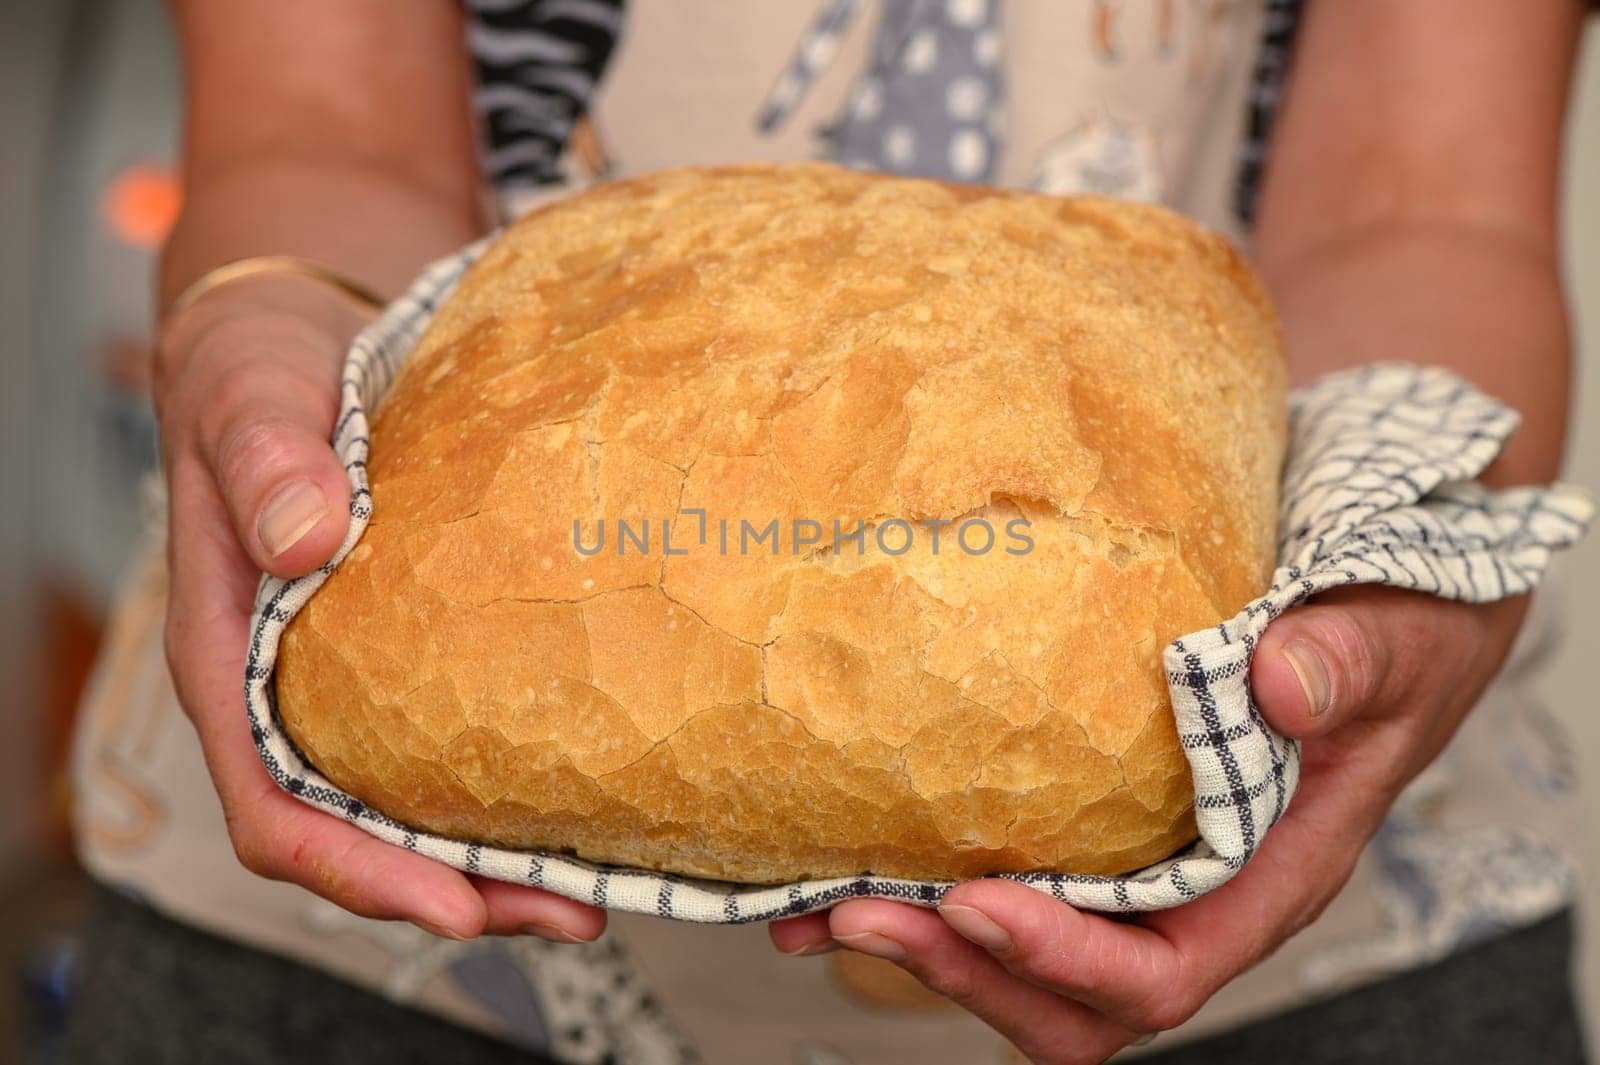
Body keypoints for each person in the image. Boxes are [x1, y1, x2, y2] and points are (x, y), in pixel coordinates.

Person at [65, 2, 1593, 1063]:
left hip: (1347, 951)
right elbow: (327, 128)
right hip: (344, 964)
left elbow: (1423, 208)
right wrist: (272, 307)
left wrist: (1400, 556)